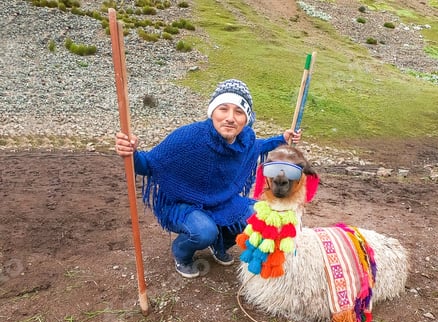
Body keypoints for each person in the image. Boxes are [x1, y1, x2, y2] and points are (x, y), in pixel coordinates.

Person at [115, 79, 301, 278]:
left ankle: (219, 243)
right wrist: (131, 153)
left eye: (239, 112)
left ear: (246, 119)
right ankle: (182, 254)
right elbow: (148, 164)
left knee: (255, 216)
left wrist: (281, 139)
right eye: (223, 109)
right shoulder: (189, 137)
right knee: (204, 230)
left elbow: (258, 146)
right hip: (183, 202)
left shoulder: (245, 139)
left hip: (220, 200)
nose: (230, 118)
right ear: (212, 112)